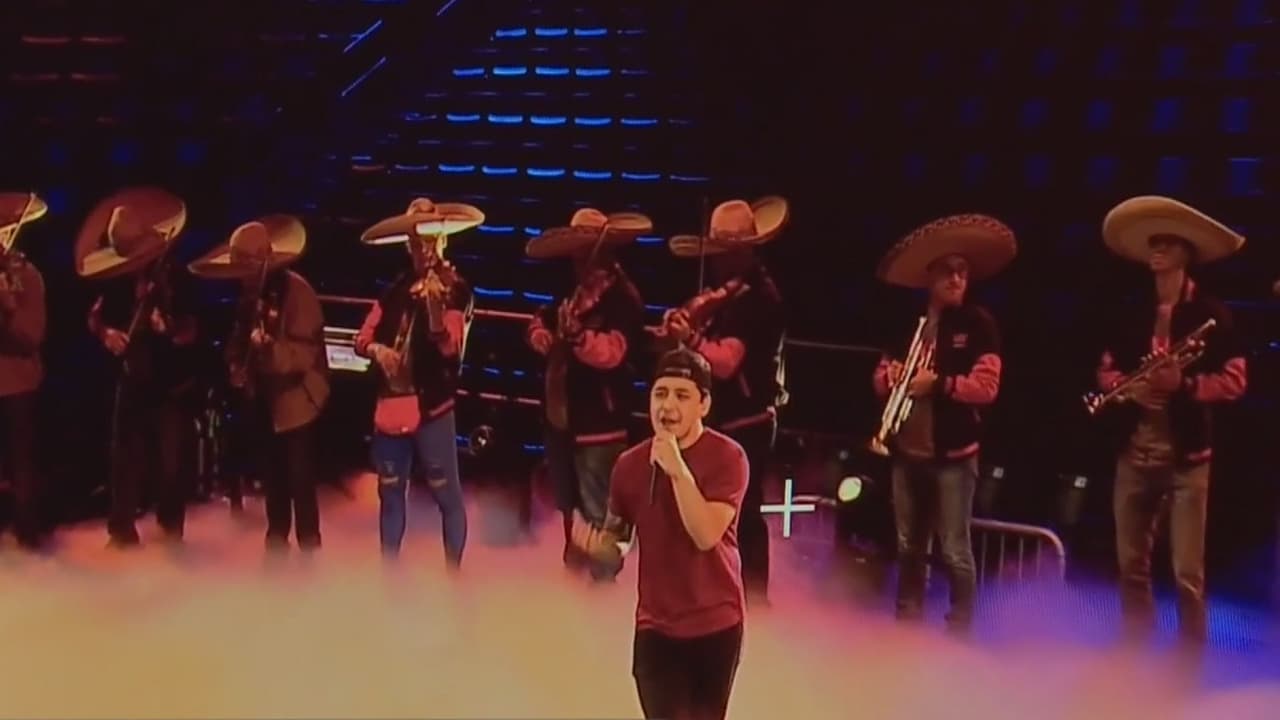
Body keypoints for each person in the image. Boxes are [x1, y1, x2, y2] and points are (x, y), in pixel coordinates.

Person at [1093, 196, 1247, 647]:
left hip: (1187, 459)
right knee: (1130, 564)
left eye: (1167, 243)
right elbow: (1105, 371)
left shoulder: (1212, 314)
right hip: (1135, 452)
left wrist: (1184, 384)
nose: (1156, 249)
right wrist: (1130, 389)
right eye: (1153, 243)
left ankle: (1189, 656)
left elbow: (1235, 381)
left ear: (1186, 253)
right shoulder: (1131, 310)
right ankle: (1135, 648)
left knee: (1186, 571)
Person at [570, 348, 748, 720]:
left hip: (716, 625)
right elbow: (620, 540)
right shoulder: (628, 465)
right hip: (656, 628)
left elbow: (705, 535)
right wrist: (600, 546)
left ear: (704, 404)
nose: (667, 406)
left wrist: (678, 470)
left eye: (682, 395)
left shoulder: (729, 457)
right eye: (660, 393)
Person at [870, 213, 1016, 633]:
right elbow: (878, 377)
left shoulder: (978, 324)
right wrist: (891, 377)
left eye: (962, 272)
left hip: (954, 455)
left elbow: (986, 388)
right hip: (908, 452)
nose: (956, 279)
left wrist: (938, 384)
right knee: (908, 545)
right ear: (929, 276)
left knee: (954, 548)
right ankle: (907, 620)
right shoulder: (907, 323)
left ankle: (960, 626)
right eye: (948, 271)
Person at [657, 196, 790, 606]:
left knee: (742, 513)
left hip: (747, 421)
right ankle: (711, 592)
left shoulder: (759, 298)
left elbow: (728, 363)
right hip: (721, 419)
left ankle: (753, 600)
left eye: (723, 252)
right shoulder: (725, 297)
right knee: (704, 509)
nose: (715, 261)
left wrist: (691, 338)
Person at [189, 215, 330, 551]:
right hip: (266, 401)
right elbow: (237, 341)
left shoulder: (298, 293)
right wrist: (236, 365)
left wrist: (270, 348)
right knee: (274, 478)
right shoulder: (250, 297)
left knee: (300, 481)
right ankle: (276, 542)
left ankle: (310, 548)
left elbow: (304, 356)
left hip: (298, 403)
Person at [354, 198, 482, 567]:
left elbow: (451, 348)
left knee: (447, 496)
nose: (422, 250)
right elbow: (362, 338)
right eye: (415, 242)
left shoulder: (455, 288)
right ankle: (389, 572)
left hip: (432, 408)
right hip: (391, 406)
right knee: (390, 494)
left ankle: (453, 574)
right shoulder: (395, 288)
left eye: (428, 241)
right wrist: (378, 350)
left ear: (441, 241)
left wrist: (436, 314)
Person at [524, 208, 648, 581]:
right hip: (563, 418)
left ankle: (602, 583)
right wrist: (540, 335)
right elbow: (541, 318)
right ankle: (575, 580)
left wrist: (578, 338)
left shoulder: (622, 297)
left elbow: (614, 353)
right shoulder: (572, 291)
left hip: (600, 422)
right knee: (571, 509)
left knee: (600, 514)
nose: (578, 258)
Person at [77, 187, 199, 548]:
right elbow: (93, 318)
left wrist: (169, 328)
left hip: (171, 383)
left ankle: (170, 531)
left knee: (171, 462)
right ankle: (121, 532)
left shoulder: (175, 275)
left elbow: (193, 331)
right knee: (123, 458)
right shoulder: (117, 277)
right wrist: (106, 334)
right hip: (134, 376)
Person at [0, 192, 48, 550]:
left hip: (17, 386)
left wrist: (6, 308)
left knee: (22, 466)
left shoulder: (28, 277)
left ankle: (28, 537)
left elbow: (30, 337)